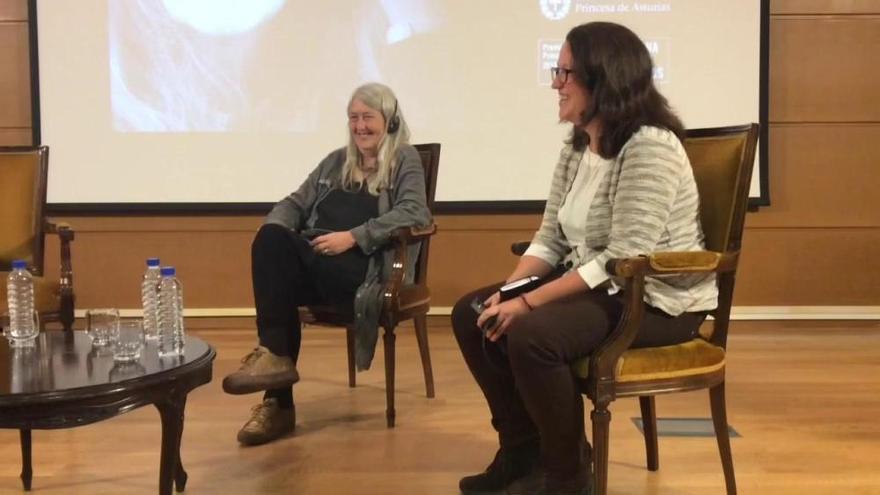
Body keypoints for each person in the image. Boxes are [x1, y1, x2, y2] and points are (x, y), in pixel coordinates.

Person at [451, 22, 718, 495]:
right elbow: (549, 237)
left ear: (604, 77)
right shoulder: (578, 145)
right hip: (601, 286)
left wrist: (529, 305)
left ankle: (569, 477)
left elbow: (623, 257)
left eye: (566, 72)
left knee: (532, 336)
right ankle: (523, 452)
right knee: (475, 313)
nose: (556, 83)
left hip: (656, 301)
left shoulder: (650, 145)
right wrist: (508, 292)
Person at [222, 82, 432, 446]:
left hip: (364, 271)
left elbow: (414, 212)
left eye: (368, 117)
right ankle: (277, 382)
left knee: (279, 270)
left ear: (391, 120)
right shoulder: (336, 160)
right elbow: (295, 202)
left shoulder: (404, 159)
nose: (360, 126)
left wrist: (352, 237)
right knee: (272, 241)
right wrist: (274, 227)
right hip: (319, 262)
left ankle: (277, 401)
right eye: (353, 118)